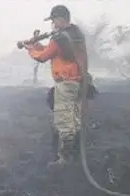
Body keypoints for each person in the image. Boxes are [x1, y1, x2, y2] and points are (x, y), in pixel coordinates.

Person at [22, 5, 90, 165]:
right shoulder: (75, 34)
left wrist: (30, 49)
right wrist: (37, 46)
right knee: (75, 119)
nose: (52, 24)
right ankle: (76, 154)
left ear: (61, 19)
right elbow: (53, 50)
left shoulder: (59, 38)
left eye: (54, 20)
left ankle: (65, 159)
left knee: (64, 120)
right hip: (79, 83)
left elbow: (43, 56)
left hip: (66, 84)